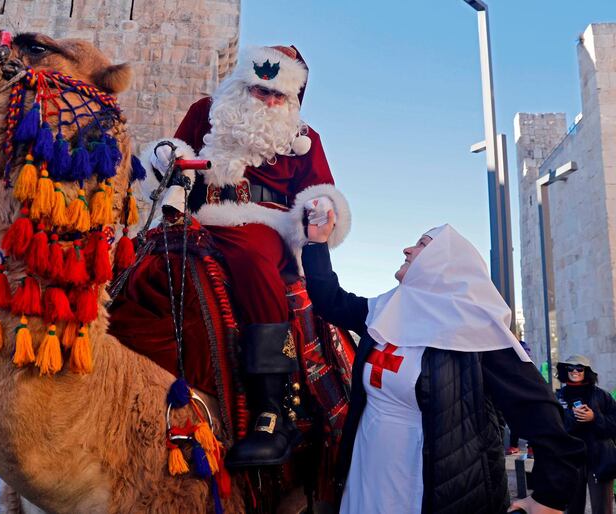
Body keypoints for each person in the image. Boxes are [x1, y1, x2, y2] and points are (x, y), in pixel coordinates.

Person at [139, 45, 351, 467]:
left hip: (266, 224)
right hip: (197, 214)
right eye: (261, 92)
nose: (270, 102)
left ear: (291, 99)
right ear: (243, 86)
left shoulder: (306, 140)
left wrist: (321, 208)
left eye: (279, 96)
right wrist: (165, 158)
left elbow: (323, 191)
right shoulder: (207, 110)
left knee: (253, 260)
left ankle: (273, 412)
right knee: (137, 259)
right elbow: (175, 149)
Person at [302, 215, 586, 514]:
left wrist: (549, 497)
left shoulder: (476, 330)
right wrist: (317, 243)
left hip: (434, 485)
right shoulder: (384, 310)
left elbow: (538, 412)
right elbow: (329, 301)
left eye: (422, 244)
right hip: (367, 467)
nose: (407, 250)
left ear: (444, 263)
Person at [556, 355, 616, 514]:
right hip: (571, 461)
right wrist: (572, 417)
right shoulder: (558, 397)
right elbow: (555, 428)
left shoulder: (602, 395)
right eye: (571, 368)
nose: (575, 371)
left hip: (600, 460)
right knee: (572, 508)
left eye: (579, 368)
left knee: (603, 509)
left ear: (586, 371)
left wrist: (594, 418)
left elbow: (614, 424)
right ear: (565, 370)